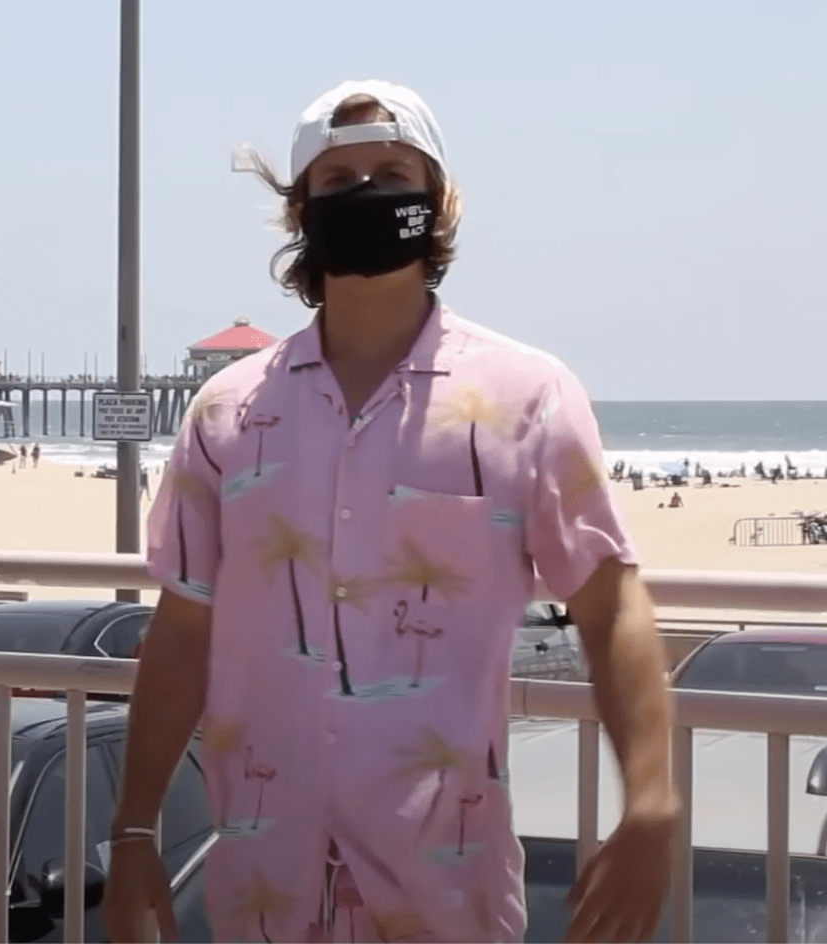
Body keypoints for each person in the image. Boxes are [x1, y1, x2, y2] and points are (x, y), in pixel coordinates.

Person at [103, 80, 677, 943]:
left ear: (441, 200)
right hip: (261, 893)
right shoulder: (226, 411)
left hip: (447, 894)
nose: (366, 194)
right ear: (298, 210)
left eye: (393, 174)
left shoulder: (529, 397)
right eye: (338, 181)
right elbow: (183, 630)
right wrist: (135, 830)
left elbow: (609, 602)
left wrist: (654, 800)